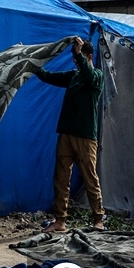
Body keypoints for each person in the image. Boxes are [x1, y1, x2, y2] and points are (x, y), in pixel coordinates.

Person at [34, 37, 105, 232]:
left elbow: (90, 75)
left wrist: (79, 54)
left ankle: (98, 219)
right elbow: (48, 76)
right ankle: (60, 220)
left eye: (78, 57)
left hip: (85, 137)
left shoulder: (97, 77)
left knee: (90, 178)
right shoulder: (74, 76)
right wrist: (31, 61)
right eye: (74, 58)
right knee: (61, 178)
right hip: (66, 134)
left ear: (89, 56)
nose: (75, 61)